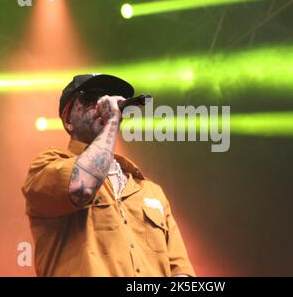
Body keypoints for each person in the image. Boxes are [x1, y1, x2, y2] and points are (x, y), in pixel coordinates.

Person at [22, 74, 195, 277]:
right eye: (91, 98)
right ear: (68, 118)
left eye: (109, 97)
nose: (103, 104)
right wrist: (112, 121)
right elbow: (81, 187)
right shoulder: (44, 167)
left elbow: (180, 271)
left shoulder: (150, 191)